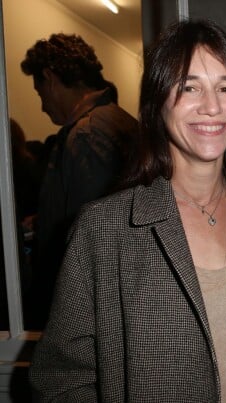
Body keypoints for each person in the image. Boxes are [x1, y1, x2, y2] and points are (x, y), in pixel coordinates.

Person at [28, 19, 226, 402]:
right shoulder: (105, 229)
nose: (212, 106)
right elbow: (61, 377)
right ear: (157, 103)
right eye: (189, 87)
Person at [20, 33, 138, 327]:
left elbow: (94, 235)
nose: (43, 106)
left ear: (50, 78)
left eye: (39, 93)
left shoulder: (87, 134)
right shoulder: (118, 119)